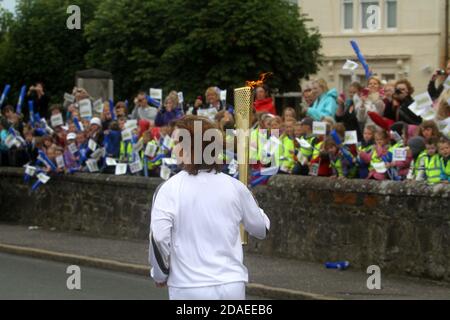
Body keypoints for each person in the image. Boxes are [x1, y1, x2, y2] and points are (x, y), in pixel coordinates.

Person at [149, 115, 270, 300]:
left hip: (188, 287)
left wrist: (159, 274)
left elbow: (158, 239)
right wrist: (252, 202)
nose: (173, 148)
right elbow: (262, 228)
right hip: (232, 286)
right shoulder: (236, 187)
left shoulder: (168, 190)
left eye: (177, 143)